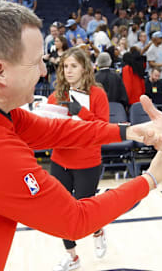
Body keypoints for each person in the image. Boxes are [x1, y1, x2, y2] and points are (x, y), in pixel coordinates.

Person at [0, 0, 162, 271]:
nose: (42, 71)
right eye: (36, 62)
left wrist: (130, 130)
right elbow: (75, 220)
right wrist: (153, 176)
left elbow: (57, 130)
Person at [48, 47, 109, 269]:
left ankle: (98, 229)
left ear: (84, 68)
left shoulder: (97, 94)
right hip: (60, 160)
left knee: (85, 211)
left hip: (87, 162)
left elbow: (103, 128)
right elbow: (48, 127)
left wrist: (80, 111)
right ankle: (72, 256)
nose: (68, 71)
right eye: (65, 66)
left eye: (73, 66)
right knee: (61, 211)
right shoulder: (56, 96)